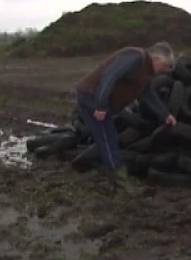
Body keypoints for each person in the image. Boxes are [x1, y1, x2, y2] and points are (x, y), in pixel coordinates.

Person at [74, 42, 177, 191]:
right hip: (91, 97)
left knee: (109, 137)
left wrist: (165, 115)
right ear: (156, 59)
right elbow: (110, 76)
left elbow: (147, 95)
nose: (165, 70)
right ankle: (121, 184)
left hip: (100, 99)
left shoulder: (146, 72)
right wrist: (101, 105)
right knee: (107, 137)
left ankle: (114, 179)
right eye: (165, 65)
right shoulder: (135, 58)